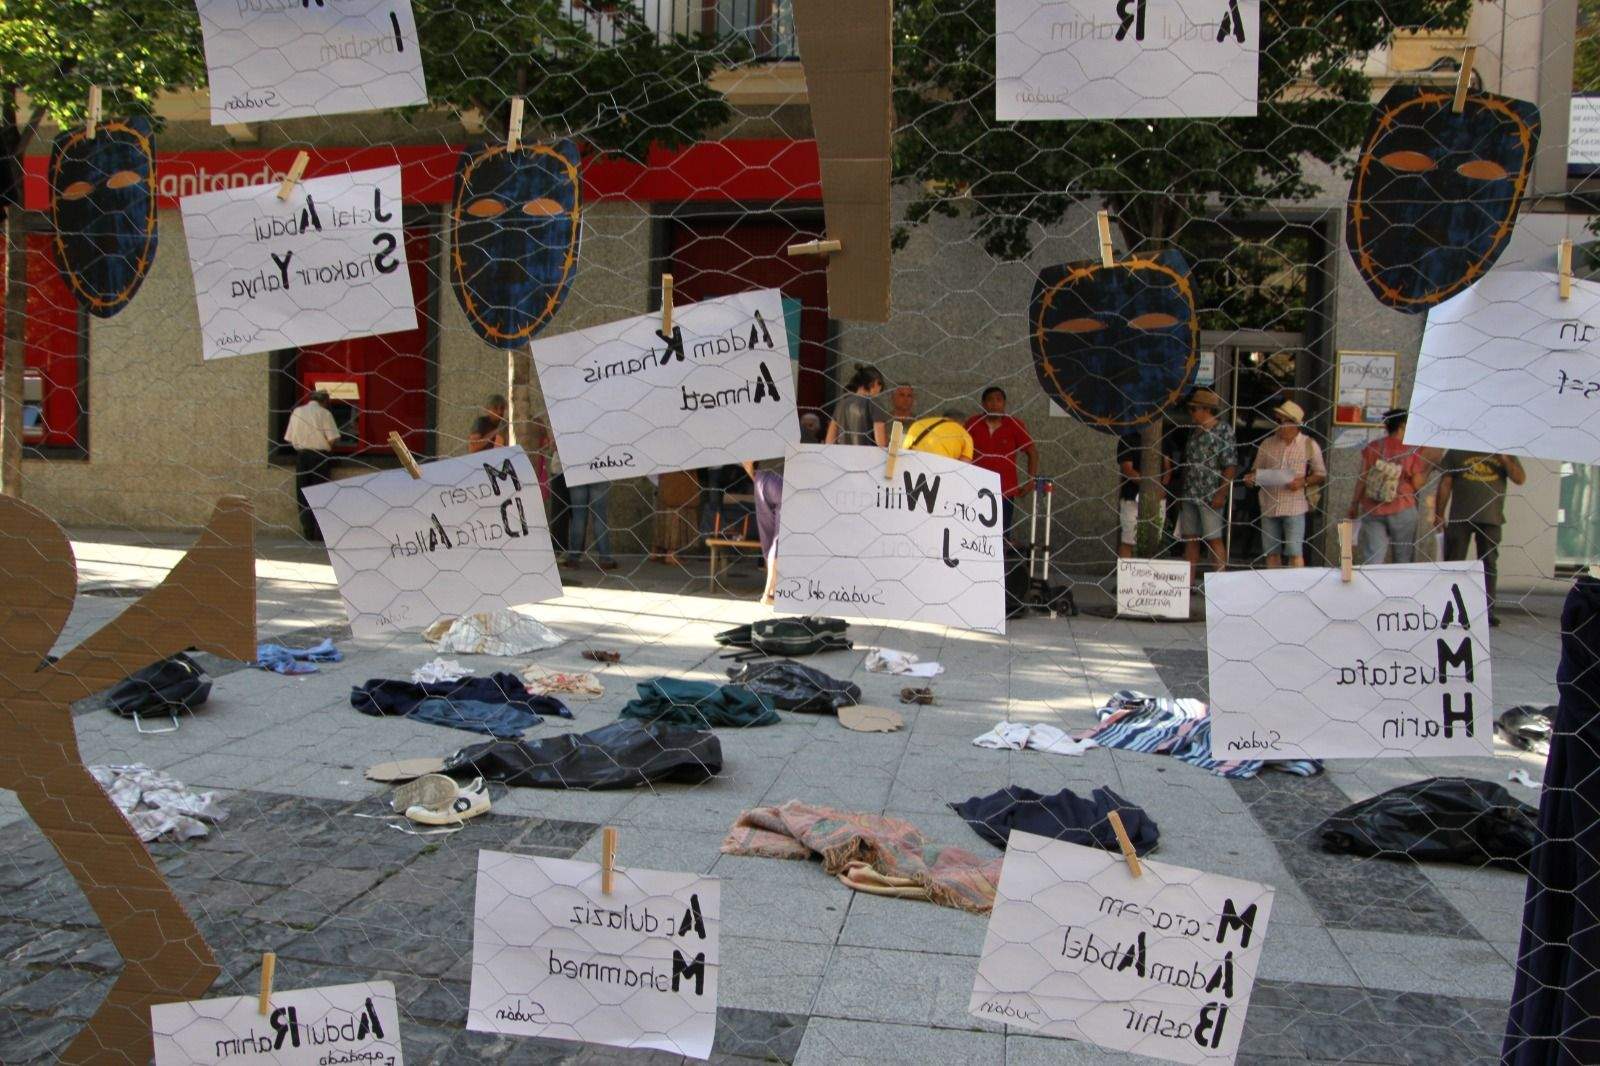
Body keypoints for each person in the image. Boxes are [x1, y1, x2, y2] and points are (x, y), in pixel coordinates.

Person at [1436, 450, 1525, 625]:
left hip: (1491, 518)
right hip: (1461, 516)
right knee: (1454, 562)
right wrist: (1439, 513)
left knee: (1489, 564)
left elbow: (1520, 479)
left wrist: (1504, 458)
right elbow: (1446, 482)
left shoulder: (1505, 449)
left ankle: (1487, 611)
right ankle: (1447, 608)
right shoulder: (1457, 450)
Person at [1243, 400, 1326, 568]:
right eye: (1276, 420)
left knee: (1295, 552)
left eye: (1282, 421)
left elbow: (1321, 474)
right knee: (1271, 553)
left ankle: (1295, 588)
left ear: (1294, 424)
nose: (1278, 425)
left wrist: (1302, 482)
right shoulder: (1267, 444)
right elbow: (1255, 471)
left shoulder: (1309, 444)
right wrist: (1250, 479)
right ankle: (1275, 589)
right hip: (1269, 504)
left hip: (1294, 506)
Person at [1347, 407, 1429, 564]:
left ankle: (1372, 587)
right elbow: (1418, 484)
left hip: (1373, 508)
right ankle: (1399, 588)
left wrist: (1354, 503)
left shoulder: (1373, 447)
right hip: (1402, 507)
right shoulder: (1411, 450)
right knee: (1402, 558)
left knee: (1373, 557)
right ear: (1403, 426)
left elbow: (1362, 478)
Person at [1177, 387, 1237, 583]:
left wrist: (1221, 493)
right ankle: (1188, 584)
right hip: (1190, 493)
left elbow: (1230, 465)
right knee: (1190, 539)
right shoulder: (1195, 433)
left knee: (1213, 538)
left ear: (1206, 409)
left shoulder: (1223, 431)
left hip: (1210, 494)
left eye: (1194, 409)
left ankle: (1220, 584)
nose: (1191, 413)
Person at [965, 386, 1038, 534]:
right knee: (971, 533)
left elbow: (1032, 453)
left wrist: (1031, 480)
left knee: (1001, 535)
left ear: (1004, 404)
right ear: (983, 404)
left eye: (999, 400)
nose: (994, 404)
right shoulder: (971, 424)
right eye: (990, 400)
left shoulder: (1015, 425)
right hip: (973, 489)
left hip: (1004, 491)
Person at [285, 389, 340, 542]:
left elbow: (289, 437)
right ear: (325, 401)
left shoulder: (297, 411)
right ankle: (320, 534)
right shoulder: (324, 413)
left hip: (302, 457)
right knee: (320, 494)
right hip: (320, 457)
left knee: (303, 495)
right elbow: (332, 438)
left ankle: (308, 532)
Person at [1116, 431, 1170, 559]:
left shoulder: (1163, 438)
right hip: (1132, 497)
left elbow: (1168, 467)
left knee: (1155, 541)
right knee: (1128, 540)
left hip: (1157, 497)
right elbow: (1127, 469)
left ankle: (1148, 576)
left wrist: (1162, 486)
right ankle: (1125, 577)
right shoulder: (1127, 437)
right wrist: (1149, 485)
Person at [742, 460, 783, 605]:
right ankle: (771, 591)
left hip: (762, 479)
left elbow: (746, 460)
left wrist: (756, 478)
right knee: (780, 536)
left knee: (768, 536)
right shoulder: (803, 435)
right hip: (785, 477)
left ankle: (771, 589)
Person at [825, 365, 889, 447]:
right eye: (880, 384)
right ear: (875, 382)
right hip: (867, 457)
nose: (880, 390)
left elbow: (829, 440)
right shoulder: (873, 403)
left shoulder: (842, 404)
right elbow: (881, 442)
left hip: (844, 457)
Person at [563, 478, 617, 571]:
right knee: (599, 515)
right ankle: (605, 560)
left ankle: (574, 558)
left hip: (577, 472)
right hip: (598, 471)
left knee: (578, 515)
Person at [905, 410, 974, 461]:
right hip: (938, 467)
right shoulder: (964, 435)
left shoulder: (918, 423)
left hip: (910, 461)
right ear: (963, 424)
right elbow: (963, 467)